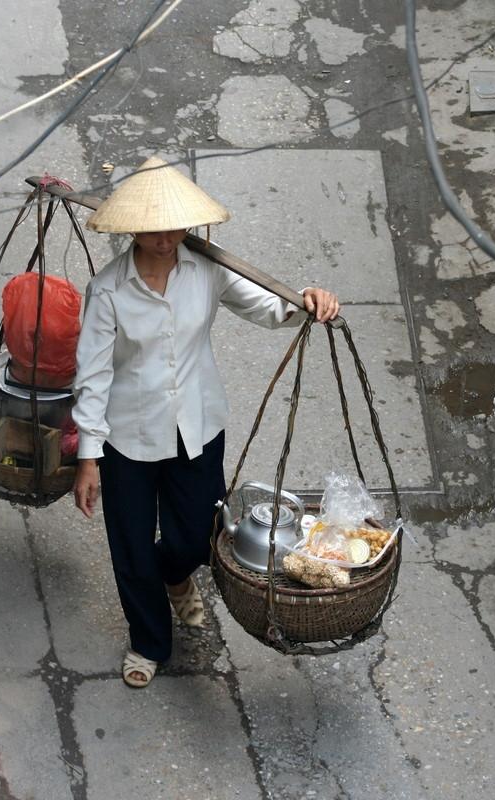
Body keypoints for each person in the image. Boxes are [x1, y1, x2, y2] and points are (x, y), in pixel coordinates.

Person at [72, 156, 340, 688]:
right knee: (129, 546)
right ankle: (148, 642)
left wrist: (306, 301)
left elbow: (267, 307)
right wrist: (88, 458)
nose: (166, 237)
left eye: (175, 225)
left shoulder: (207, 269)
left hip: (197, 426)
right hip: (127, 436)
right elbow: (94, 375)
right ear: (133, 228)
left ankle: (175, 577)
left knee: (198, 537)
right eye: (153, 228)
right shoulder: (108, 290)